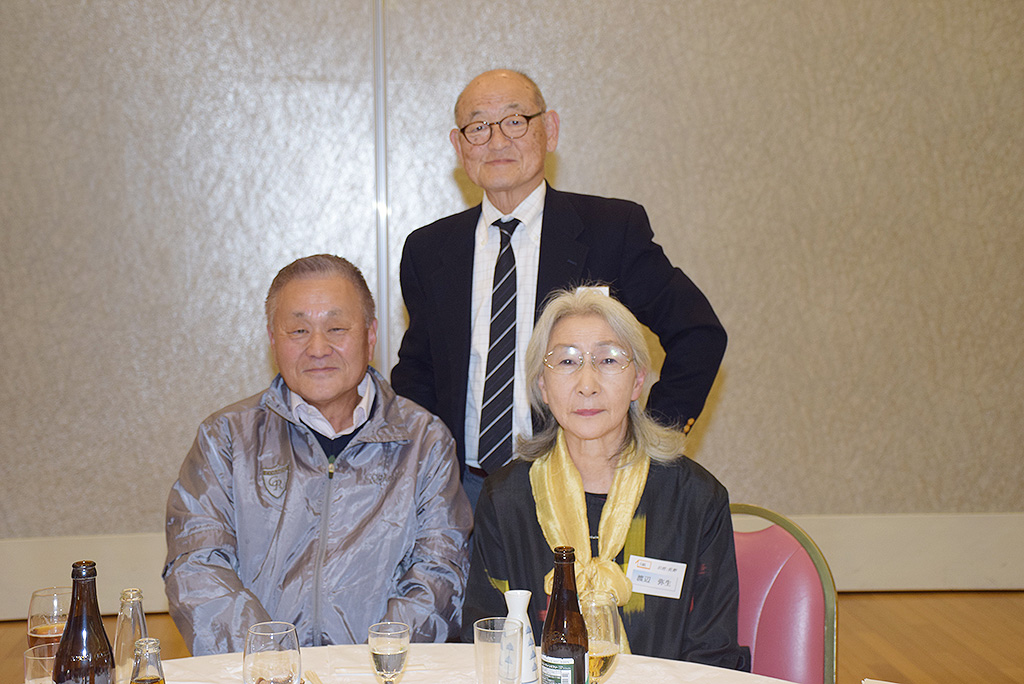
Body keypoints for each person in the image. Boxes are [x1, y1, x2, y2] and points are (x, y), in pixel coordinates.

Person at [391, 68, 727, 508]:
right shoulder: (429, 249)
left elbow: (698, 333)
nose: (497, 141)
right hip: (461, 492)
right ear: (458, 145)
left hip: (581, 483)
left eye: (515, 121)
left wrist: (648, 438)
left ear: (549, 130)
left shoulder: (612, 231)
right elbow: (418, 373)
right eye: (478, 127)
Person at [163, 254, 472, 655]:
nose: (318, 348)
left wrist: (371, 666)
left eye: (336, 328)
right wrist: (274, 666)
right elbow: (197, 567)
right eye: (298, 330)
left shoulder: (425, 443)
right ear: (273, 340)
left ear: (370, 335)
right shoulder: (225, 440)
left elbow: (439, 575)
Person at [462, 287, 749, 670]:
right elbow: (489, 639)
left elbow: (713, 655)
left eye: (608, 360)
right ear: (542, 385)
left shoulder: (695, 499)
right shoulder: (506, 498)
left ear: (638, 381)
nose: (587, 384)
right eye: (567, 361)